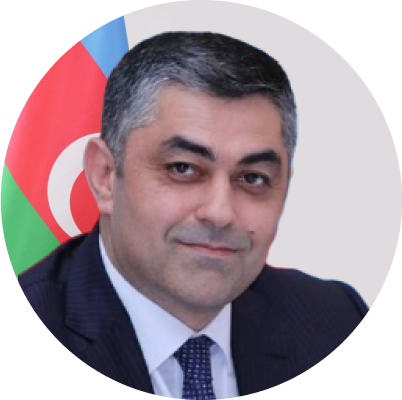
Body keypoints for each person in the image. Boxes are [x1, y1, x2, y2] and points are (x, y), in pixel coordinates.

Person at [19, 32, 368, 397]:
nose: (220, 213)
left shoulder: (336, 320)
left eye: (253, 178)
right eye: (183, 169)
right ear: (105, 176)